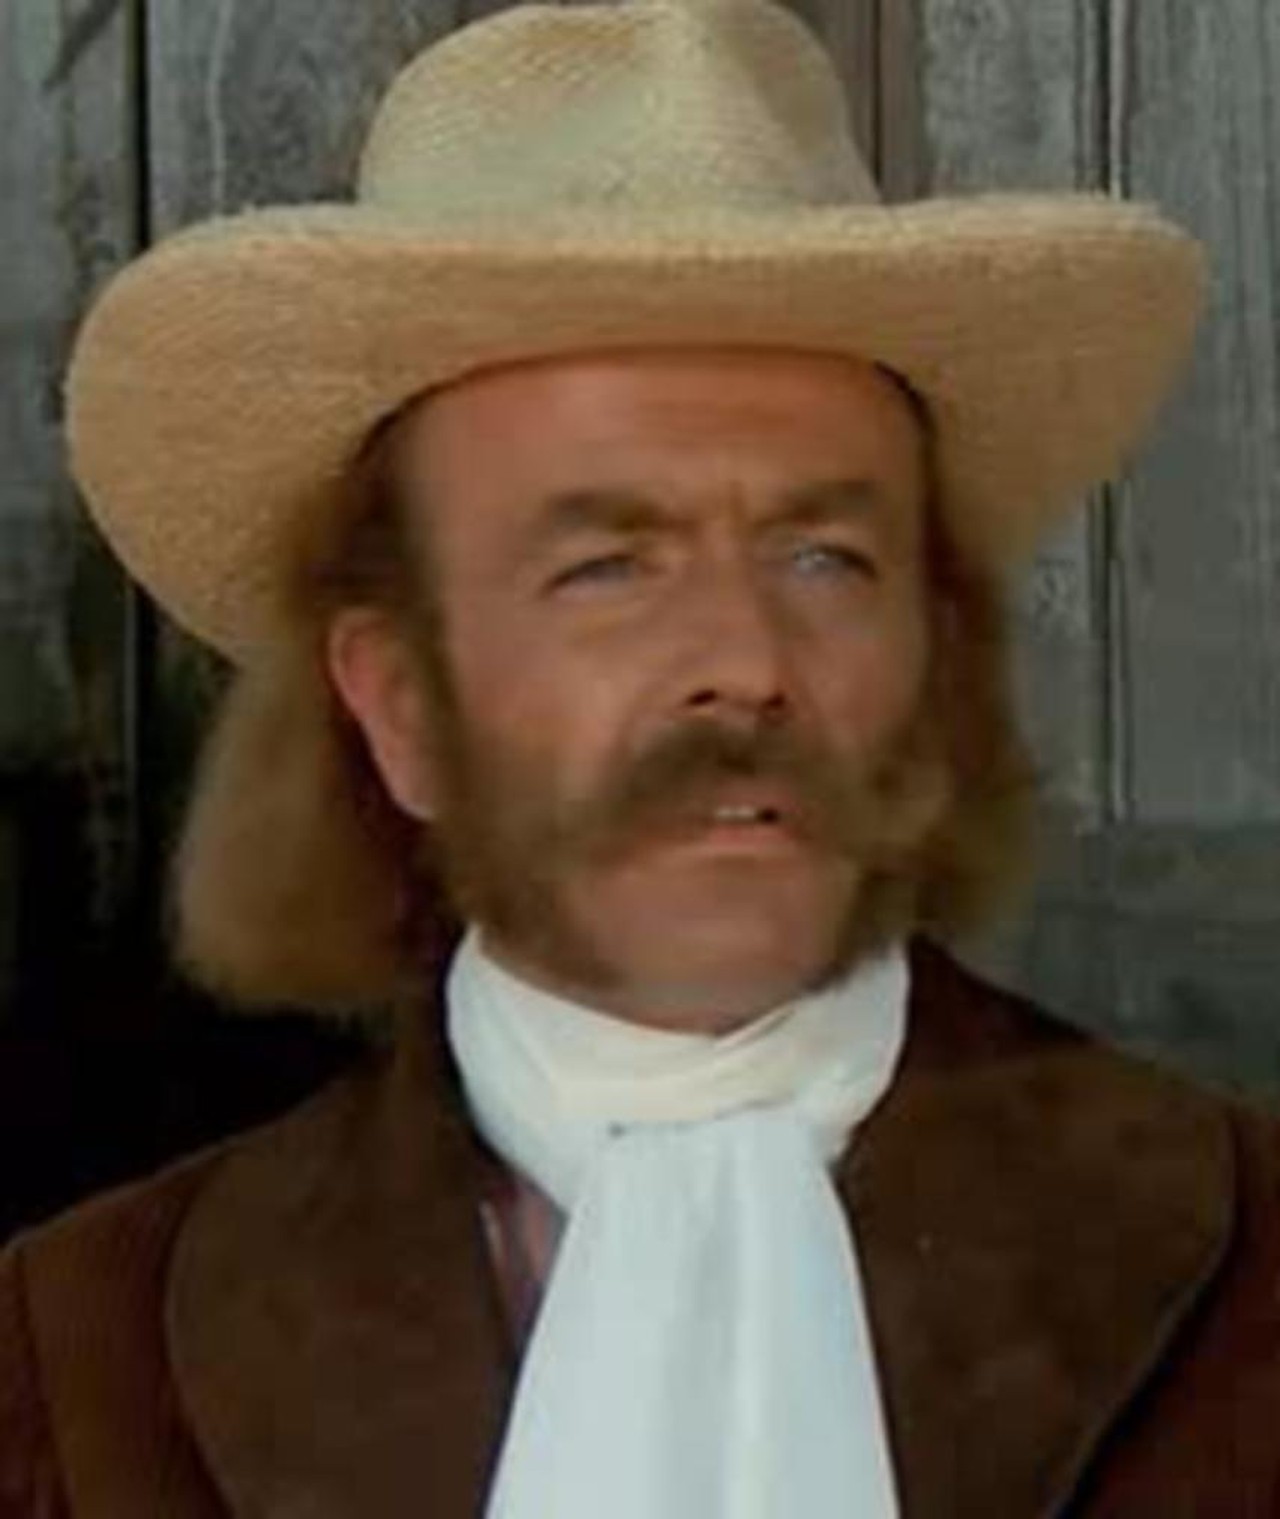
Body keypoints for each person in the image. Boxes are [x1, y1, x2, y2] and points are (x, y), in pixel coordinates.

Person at [3, 0, 1278, 1514]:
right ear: (400, 705)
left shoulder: (1254, 1274)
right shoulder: (83, 1357)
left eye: (823, 556)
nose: (744, 660)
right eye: (605, 566)